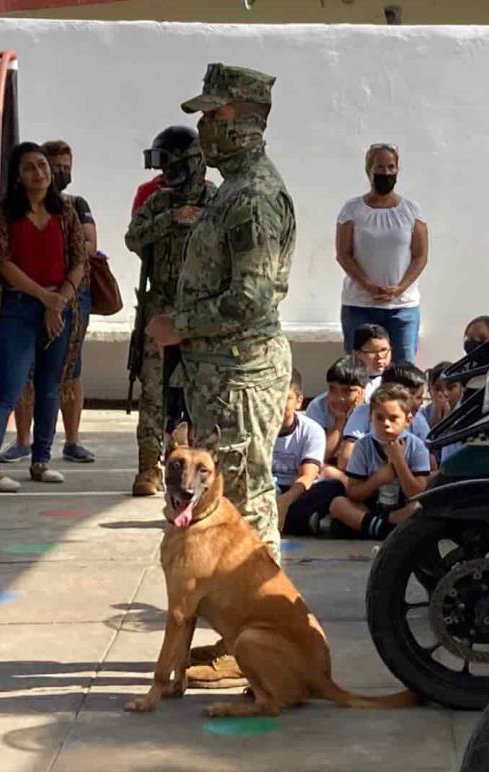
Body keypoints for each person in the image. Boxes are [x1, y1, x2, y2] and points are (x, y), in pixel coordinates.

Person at [145, 63, 295, 560]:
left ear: (243, 122)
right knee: (224, 501)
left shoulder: (253, 197)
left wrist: (178, 326)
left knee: (246, 506)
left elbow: (252, 297)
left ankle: (262, 624)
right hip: (219, 377)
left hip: (241, 377)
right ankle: (238, 623)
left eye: (213, 115)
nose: (204, 129)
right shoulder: (231, 189)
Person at [0, 141, 87, 493]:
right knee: (10, 388)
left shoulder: (67, 211)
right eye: (30, 167)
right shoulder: (4, 211)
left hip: (60, 308)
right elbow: (2, 263)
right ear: (17, 174)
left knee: (49, 387)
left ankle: (41, 461)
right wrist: (44, 297)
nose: (40, 172)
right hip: (18, 308)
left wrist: (58, 301)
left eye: (43, 165)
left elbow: (79, 260)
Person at [125, 125, 217, 497]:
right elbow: (134, 238)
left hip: (202, 309)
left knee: (201, 393)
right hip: (161, 304)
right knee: (153, 392)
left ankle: (201, 471)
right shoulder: (159, 202)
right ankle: (149, 467)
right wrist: (172, 218)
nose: (165, 173)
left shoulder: (217, 200)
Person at [1, 139, 98, 465]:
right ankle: (23, 440)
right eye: (54, 166)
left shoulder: (75, 205)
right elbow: (7, 258)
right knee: (25, 373)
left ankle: (71, 440)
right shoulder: (12, 209)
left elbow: (88, 247)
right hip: (27, 296)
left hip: (71, 296)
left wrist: (59, 292)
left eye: (66, 168)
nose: (59, 173)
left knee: (69, 369)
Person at [336, 143, 428, 363]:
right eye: (380, 167)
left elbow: (420, 256)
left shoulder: (411, 211)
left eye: (391, 167)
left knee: (402, 370)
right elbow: (343, 254)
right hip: (359, 306)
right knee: (359, 370)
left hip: (402, 308)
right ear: (369, 170)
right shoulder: (352, 210)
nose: (385, 172)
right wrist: (367, 285)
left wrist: (400, 288)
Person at [328, 384, 430, 540]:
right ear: (371, 417)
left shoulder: (417, 446)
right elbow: (353, 493)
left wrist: (399, 462)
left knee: (419, 508)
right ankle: (386, 530)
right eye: (380, 417)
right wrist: (378, 479)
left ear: (408, 420)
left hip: (402, 508)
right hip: (371, 508)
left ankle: (372, 527)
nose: (386, 424)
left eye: (393, 418)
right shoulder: (363, 445)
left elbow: (417, 493)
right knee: (338, 504)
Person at [339, 361, 429, 469]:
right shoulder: (363, 412)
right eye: (417, 397)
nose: (421, 403)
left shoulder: (418, 418)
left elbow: (428, 462)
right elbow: (345, 460)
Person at [274, 369, 327, 535]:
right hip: (266, 489)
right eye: (274, 398)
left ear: (299, 401)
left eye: (286, 398)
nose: (279, 405)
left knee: (332, 488)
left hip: (296, 490)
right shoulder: (255, 428)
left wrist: (284, 502)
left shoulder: (312, 430)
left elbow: (307, 477)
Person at [303, 354, 368, 468]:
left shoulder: (373, 407)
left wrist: (355, 415)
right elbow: (318, 456)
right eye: (332, 389)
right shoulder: (317, 407)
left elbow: (350, 461)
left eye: (348, 391)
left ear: (362, 390)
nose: (339, 398)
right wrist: (340, 421)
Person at [352, 323, 391, 399]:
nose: (380, 356)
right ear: (356, 354)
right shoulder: (349, 384)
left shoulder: (399, 382)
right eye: (372, 351)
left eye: (384, 350)